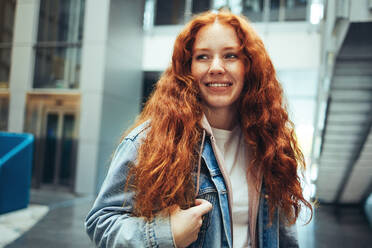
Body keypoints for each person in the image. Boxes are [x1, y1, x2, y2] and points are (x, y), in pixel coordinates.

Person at [85, 10, 312, 248]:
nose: (216, 67)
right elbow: (102, 222)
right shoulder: (148, 141)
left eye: (230, 55)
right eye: (203, 57)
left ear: (249, 66)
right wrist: (165, 234)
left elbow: (283, 234)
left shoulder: (269, 141)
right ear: (187, 68)